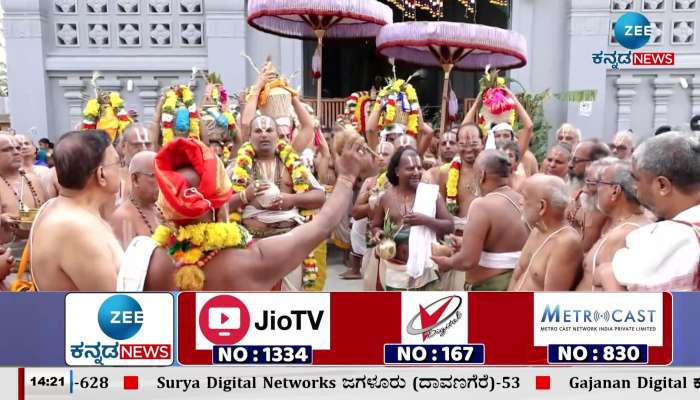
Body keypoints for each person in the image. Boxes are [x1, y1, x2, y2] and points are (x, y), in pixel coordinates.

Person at [119, 136, 372, 291]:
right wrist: (348, 177)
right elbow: (323, 225)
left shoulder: (147, 261)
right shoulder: (257, 258)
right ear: (221, 206)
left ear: (166, 208)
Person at [228, 115, 326, 290]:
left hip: (288, 244)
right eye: (258, 131)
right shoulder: (236, 168)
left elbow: (320, 197)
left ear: (277, 136)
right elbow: (220, 206)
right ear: (249, 137)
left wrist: (292, 198)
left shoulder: (295, 164)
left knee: (289, 302)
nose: (264, 135)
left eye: (268, 130)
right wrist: (245, 195)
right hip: (251, 246)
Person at [596, 132, 700, 291]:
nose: (633, 187)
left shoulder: (674, 236)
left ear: (662, 186)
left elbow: (641, 312)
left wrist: (606, 274)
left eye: (635, 178)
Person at [29, 130, 123, 291]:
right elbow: (113, 306)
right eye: (117, 162)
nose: (121, 169)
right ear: (101, 174)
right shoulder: (78, 229)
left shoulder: (54, 207)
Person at [432, 150, 530, 291]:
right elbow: (498, 245)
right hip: (516, 285)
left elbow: (467, 261)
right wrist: (465, 243)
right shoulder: (521, 200)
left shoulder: (481, 205)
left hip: (491, 288)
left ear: (482, 175)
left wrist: (448, 262)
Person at [368, 146, 454, 290]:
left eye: (419, 168)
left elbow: (449, 226)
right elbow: (375, 225)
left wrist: (424, 220)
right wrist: (378, 233)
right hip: (394, 270)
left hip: (425, 270)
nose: (416, 172)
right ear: (397, 172)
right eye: (410, 168)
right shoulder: (386, 198)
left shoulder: (431, 195)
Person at [577, 160, 651, 291]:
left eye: (600, 183)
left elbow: (605, 292)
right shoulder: (624, 225)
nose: (596, 190)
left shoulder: (622, 234)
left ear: (615, 191)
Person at [509, 174, 583, 291]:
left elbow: (550, 302)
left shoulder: (566, 243)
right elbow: (516, 276)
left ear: (542, 206)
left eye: (525, 197)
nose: (520, 202)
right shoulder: (537, 230)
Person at [351, 141, 395, 284]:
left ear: (394, 158)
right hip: (372, 240)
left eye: (386, 154)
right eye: (378, 153)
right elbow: (356, 213)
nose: (381, 157)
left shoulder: (400, 181)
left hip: (394, 241)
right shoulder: (369, 182)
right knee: (370, 283)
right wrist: (373, 197)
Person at [0, 134, 46, 259]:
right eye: (7, 149)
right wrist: (2, 219)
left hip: (39, 254)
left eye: (17, 148)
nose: (16, 152)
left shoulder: (33, 179)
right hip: (8, 262)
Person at [434, 123, 484, 224]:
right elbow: (441, 213)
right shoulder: (446, 173)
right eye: (463, 145)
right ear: (457, 145)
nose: (469, 149)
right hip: (455, 233)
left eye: (474, 144)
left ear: (483, 142)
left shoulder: (492, 170)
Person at [109, 151, 160, 249]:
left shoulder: (163, 210)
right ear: (135, 179)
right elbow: (126, 262)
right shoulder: (123, 218)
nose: (163, 181)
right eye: (155, 175)